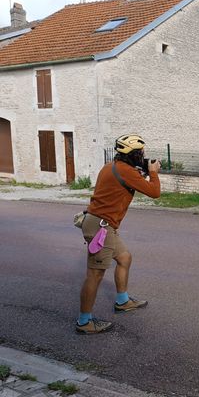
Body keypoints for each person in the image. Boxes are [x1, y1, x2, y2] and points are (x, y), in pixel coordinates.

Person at [76, 134, 161, 334]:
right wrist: (153, 172)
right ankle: (84, 322)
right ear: (132, 154)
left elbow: (128, 181)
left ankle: (122, 301)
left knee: (124, 258)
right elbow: (155, 192)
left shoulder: (112, 167)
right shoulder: (126, 172)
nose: (143, 155)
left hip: (102, 225)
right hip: (100, 227)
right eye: (140, 153)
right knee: (94, 275)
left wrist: (143, 172)